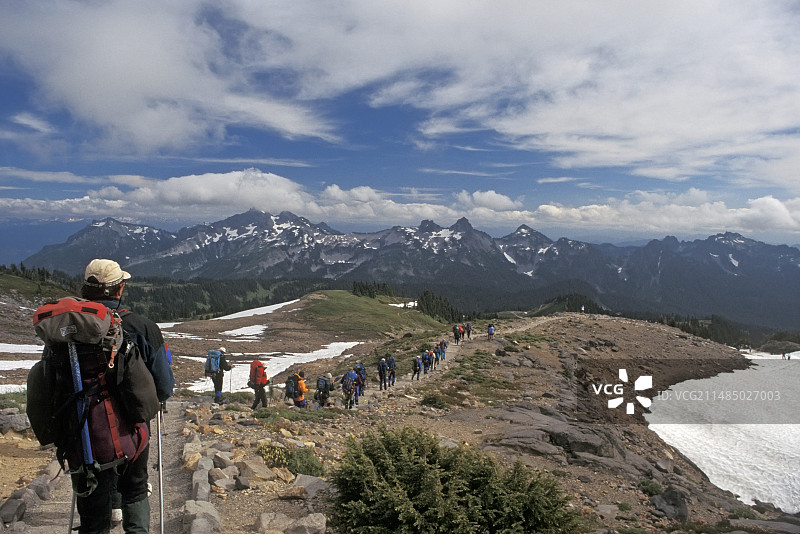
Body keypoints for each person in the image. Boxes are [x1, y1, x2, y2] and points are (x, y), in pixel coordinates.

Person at [77, 259, 174, 534]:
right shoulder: (143, 327)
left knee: (92, 504)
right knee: (134, 489)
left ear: (86, 290)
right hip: (132, 430)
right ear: (120, 289)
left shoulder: (67, 327)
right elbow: (164, 387)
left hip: (84, 431)